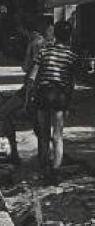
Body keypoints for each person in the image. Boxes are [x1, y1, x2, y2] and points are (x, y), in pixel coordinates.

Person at [27, 22, 76, 183]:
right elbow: (70, 82)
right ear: (69, 36)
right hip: (60, 95)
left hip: (44, 93)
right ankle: (55, 172)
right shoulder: (70, 55)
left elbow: (32, 76)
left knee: (43, 134)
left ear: (55, 34)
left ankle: (42, 168)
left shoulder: (44, 51)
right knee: (58, 136)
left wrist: (29, 96)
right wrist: (68, 102)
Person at [0, 21, 48, 165]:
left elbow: (26, 68)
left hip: (31, 88)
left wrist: (27, 99)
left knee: (5, 112)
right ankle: (42, 159)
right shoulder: (45, 42)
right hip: (42, 88)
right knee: (38, 124)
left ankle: (15, 154)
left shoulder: (34, 43)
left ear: (27, 30)